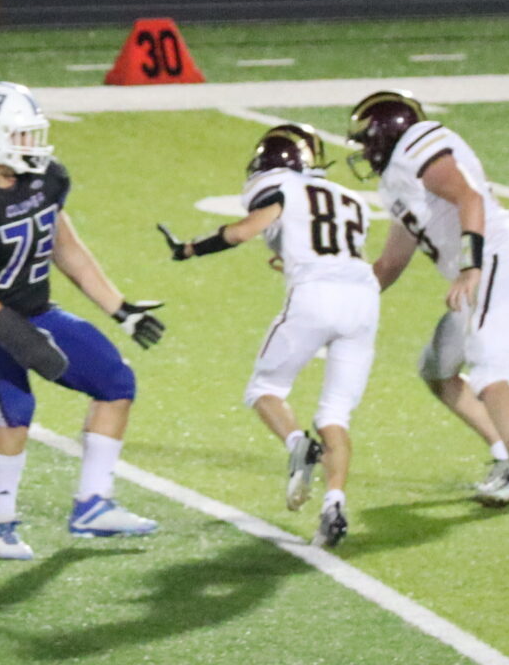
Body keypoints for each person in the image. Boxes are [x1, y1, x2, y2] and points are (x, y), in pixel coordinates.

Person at [0, 82, 169, 559]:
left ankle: (93, 505)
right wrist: (20, 339)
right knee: (14, 410)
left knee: (116, 382)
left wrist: (120, 308)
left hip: (38, 311)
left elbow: (67, 249)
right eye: (22, 134)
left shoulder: (46, 179)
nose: (32, 144)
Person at [159, 124, 379, 549]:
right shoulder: (351, 199)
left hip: (315, 296)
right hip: (364, 302)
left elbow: (242, 231)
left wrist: (189, 249)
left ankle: (297, 444)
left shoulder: (283, 188)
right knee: (334, 415)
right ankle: (334, 503)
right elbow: (334, 248)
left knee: (265, 389)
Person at [348, 91, 509, 507]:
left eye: (368, 142)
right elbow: (390, 263)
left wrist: (470, 267)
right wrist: (341, 300)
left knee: (489, 370)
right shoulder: (397, 182)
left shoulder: (417, 145)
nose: (365, 152)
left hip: (497, 263)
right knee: (438, 369)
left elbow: (468, 197)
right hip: (483, 273)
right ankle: (504, 454)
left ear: (386, 135)